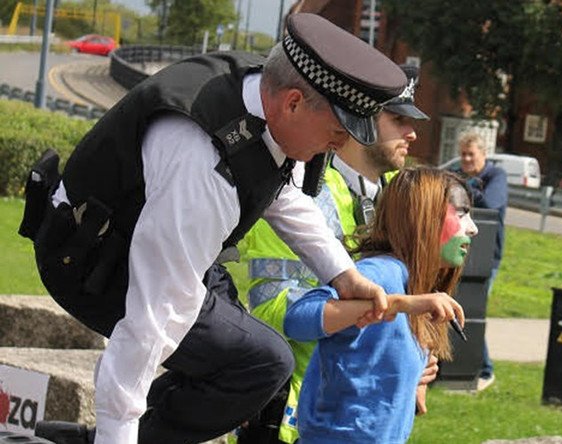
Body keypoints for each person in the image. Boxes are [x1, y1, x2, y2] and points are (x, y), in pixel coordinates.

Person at [23, 13, 413, 444]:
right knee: (256, 363)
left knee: (257, 361)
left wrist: (345, 275)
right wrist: (117, 426)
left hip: (167, 239)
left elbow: (280, 195)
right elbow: (153, 316)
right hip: (93, 262)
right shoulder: (201, 166)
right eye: (338, 132)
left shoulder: (266, 91)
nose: (340, 146)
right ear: (294, 103)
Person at [234, 64, 430, 444]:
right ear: (359, 119)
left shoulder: (401, 197)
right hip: (296, 418)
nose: (413, 132)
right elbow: (271, 309)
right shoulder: (300, 190)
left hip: (365, 421)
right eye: (397, 118)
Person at [283, 167, 476, 444]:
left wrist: (414, 377)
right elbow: (298, 319)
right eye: (461, 214)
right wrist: (397, 304)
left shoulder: (413, 281)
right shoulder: (380, 273)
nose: (472, 228)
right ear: (424, 217)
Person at [454, 132, 508, 391]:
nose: (465, 159)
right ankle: (448, 367)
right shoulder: (458, 173)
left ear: (483, 155)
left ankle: (485, 369)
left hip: (487, 256)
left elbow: (492, 204)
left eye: (470, 154)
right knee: (454, 306)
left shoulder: (496, 176)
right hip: (456, 250)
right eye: (462, 154)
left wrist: (467, 187)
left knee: (473, 311)